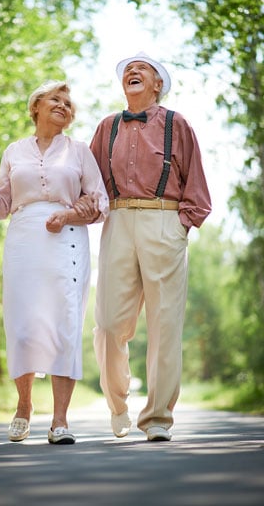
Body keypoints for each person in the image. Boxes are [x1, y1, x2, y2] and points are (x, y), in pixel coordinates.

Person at [0, 80, 109, 445]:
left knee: (65, 324)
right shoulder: (14, 151)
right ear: (35, 106)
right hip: (22, 239)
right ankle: (24, 406)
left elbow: (99, 202)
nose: (64, 106)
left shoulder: (80, 151)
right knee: (22, 326)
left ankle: (60, 421)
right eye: (56, 99)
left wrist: (67, 216)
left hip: (67, 240)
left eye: (69, 103)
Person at [77, 51, 211, 441]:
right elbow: (91, 184)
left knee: (165, 325)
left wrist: (180, 226)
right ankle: (118, 405)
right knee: (107, 325)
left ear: (158, 85)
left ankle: (157, 419)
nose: (132, 72)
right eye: (127, 70)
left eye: (143, 69)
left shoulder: (177, 124)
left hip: (164, 222)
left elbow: (198, 187)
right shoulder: (107, 127)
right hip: (117, 222)